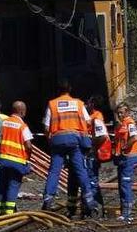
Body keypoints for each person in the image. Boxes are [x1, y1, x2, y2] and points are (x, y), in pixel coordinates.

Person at [41, 79, 98, 216]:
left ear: (57, 90)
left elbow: (46, 126)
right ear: (70, 89)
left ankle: (48, 199)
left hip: (57, 140)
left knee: (54, 171)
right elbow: (88, 121)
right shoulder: (78, 104)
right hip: (75, 140)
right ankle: (89, 200)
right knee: (80, 170)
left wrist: (50, 140)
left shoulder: (52, 104)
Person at [67, 95, 111, 218]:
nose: (86, 105)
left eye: (88, 103)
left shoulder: (96, 118)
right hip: (87, 154)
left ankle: (95, 209)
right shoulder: (90, 117)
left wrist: (90, 147)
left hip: (92, 155)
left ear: (92, 104)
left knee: (91, 181)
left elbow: (102, 136)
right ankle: (87, 209)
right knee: (84, 180)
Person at [0, 101, 33, 215]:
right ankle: (8, 213)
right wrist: (28, 158)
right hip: (17, 161)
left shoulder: (4, 122)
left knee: (1, 184)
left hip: (2, 158)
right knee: (13, 185)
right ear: (22, 112)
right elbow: (28, 145)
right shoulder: (23, 126)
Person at [113, 102, 137, 224]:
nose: (120, 115)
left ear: (127, 112)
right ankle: (124, 211)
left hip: (129, 157)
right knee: (122, 185)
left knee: (125, 185)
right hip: (122, 158)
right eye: (118, 113)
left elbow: (134, 137)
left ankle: (127, 214)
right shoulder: (121, 125)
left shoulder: (130, 123)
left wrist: (124, 148)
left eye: (122, 112)